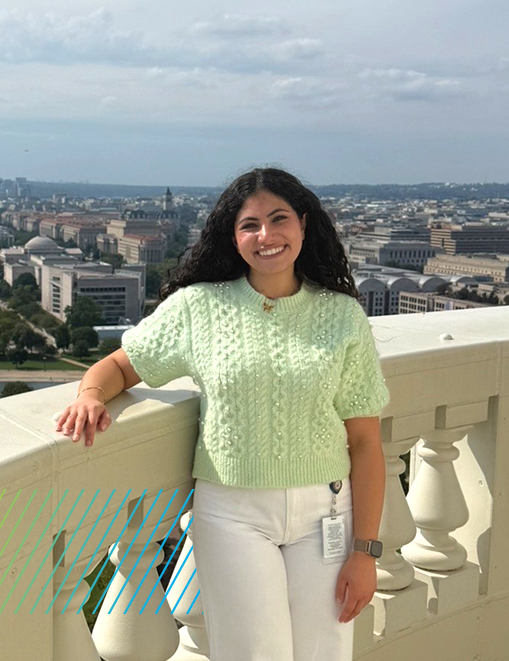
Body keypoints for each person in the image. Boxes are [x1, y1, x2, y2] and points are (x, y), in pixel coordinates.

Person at [52, 167, 390, 660]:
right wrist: (89, 395)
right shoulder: (199, 308)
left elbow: (364, 443)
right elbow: (120, 366)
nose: (266, 236)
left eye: (278, 220)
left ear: (303, 224)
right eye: (250, 225)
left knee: (325, 653)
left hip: (327, 515)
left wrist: (365, 552)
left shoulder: (342, 316)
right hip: (232, 514)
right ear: (233, 237)